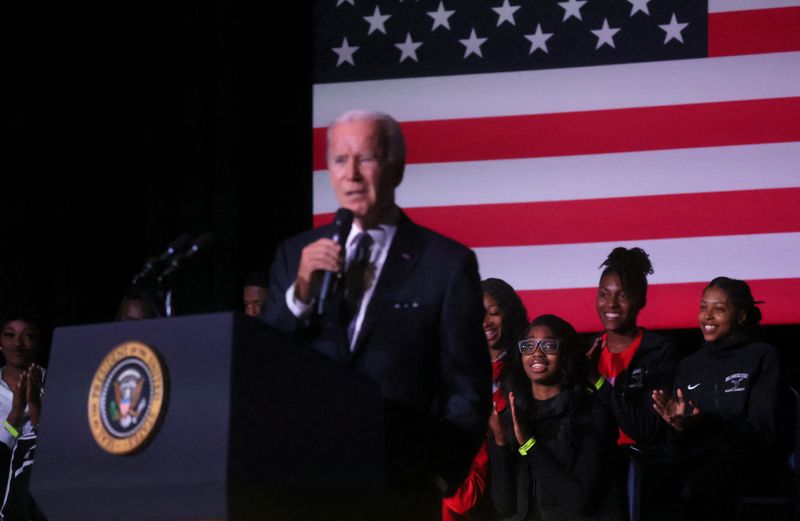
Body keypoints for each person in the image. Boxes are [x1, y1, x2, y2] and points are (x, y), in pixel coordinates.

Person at [263, 110, 490, 519]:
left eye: (365, 158)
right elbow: (266, 363)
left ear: (397, 168)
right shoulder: (294, 256)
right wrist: (299, 295)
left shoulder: (445, 263)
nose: (351, 174)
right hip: (305, 487)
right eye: (339, 160)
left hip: (399, 489)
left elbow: (467, 386)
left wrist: (439, 474)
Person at [652, 277, 787, 521]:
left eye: (719, 309)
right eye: (703, 307)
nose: (708, 316)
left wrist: (705, 422)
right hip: (696, 460)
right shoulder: (690, 365)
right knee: (645, 477)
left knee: (699, 484)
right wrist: (675, 425)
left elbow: (763, 434)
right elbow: (676, 447)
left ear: (742, 316)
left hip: (749, 463)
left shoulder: (762, 356)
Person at [488, 314, 622, 521]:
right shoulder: (512, 417)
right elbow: (505, 506)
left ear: (566, 354)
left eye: (549, 346)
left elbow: (579, 502)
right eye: (528, 346)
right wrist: (499, 441)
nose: (537, 353)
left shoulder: (592, 414)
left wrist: (529, 444)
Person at [442, 278, 528, 521]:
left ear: (508, 315)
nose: (485, 322)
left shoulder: (526, 369)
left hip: (510, 496)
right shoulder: (451, 370)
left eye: (494, 313)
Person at [588, 247, 680, 447]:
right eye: (604, 294)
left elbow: (647, 429)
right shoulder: (587, 352)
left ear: (641, 301)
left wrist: (597, 381)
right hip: (592, 464)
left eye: (623, 296)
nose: (611, 304)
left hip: (640, 463)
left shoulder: (659, 352)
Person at [0, 314, 47, 521]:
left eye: (28, 336)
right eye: (10, 335)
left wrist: (35, 407)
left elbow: (54, 448)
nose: (18, 344)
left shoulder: (57, 380)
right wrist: (16, 413)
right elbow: (4, 444)